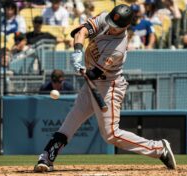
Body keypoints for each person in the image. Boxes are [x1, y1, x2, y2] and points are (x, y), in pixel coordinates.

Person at [34, 4, 176, 172]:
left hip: (109, 85)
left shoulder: (118, 47)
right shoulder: (104, 18)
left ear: (125, 26)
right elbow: (80, 33)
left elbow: (95, 73)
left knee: (111, 134)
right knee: (71, 121)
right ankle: (47, 157)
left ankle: (159, 148)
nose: (112, 27)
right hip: (91, 85)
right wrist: (78, 52)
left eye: (117, 27)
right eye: (111, 23)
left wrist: (83, 70)